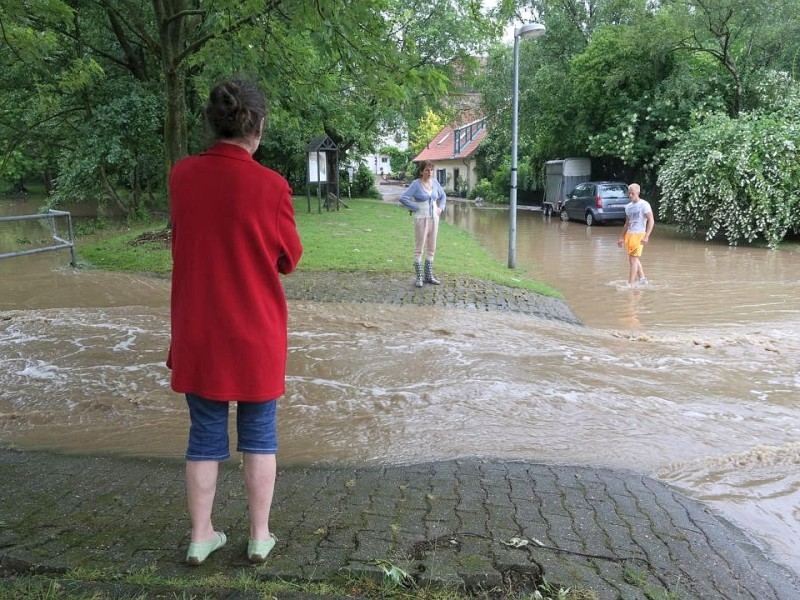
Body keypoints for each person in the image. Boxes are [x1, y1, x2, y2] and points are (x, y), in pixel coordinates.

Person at [167, 78, 303, 566]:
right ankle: (259, 536)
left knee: (203, 434)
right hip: (255, 333)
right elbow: (289, 258)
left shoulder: (181, 176)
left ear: (213, 123)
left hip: (198, 329)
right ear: (258, 127)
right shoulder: (272, 187)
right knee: (260, 433)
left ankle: (201, 536)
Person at [399, 160, 447, 287]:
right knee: (419, 248)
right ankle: (419, 277)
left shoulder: (435, 183)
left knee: (432, 247)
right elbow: (403, 198)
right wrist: (414, 208)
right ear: (421, 171)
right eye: (427, 170)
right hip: (421, 218)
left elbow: (443, 196)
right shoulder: (416, 184)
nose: (429, 172)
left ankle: (429, 276)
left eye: (431, 170)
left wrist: (440, 208)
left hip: (434, 219)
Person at [617, 183, 654, 286]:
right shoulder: (628, 207)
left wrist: (647, 236)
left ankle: (631, 283)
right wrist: (621, 237)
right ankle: (642, 279)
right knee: (633, 258)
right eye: (629, 193)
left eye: (632, 193)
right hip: (629, 235)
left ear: (638, 192)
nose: (630, 195)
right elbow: (627, 223)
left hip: (639, 235)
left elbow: (651, 220)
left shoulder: (644, 205)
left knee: (633, 260)